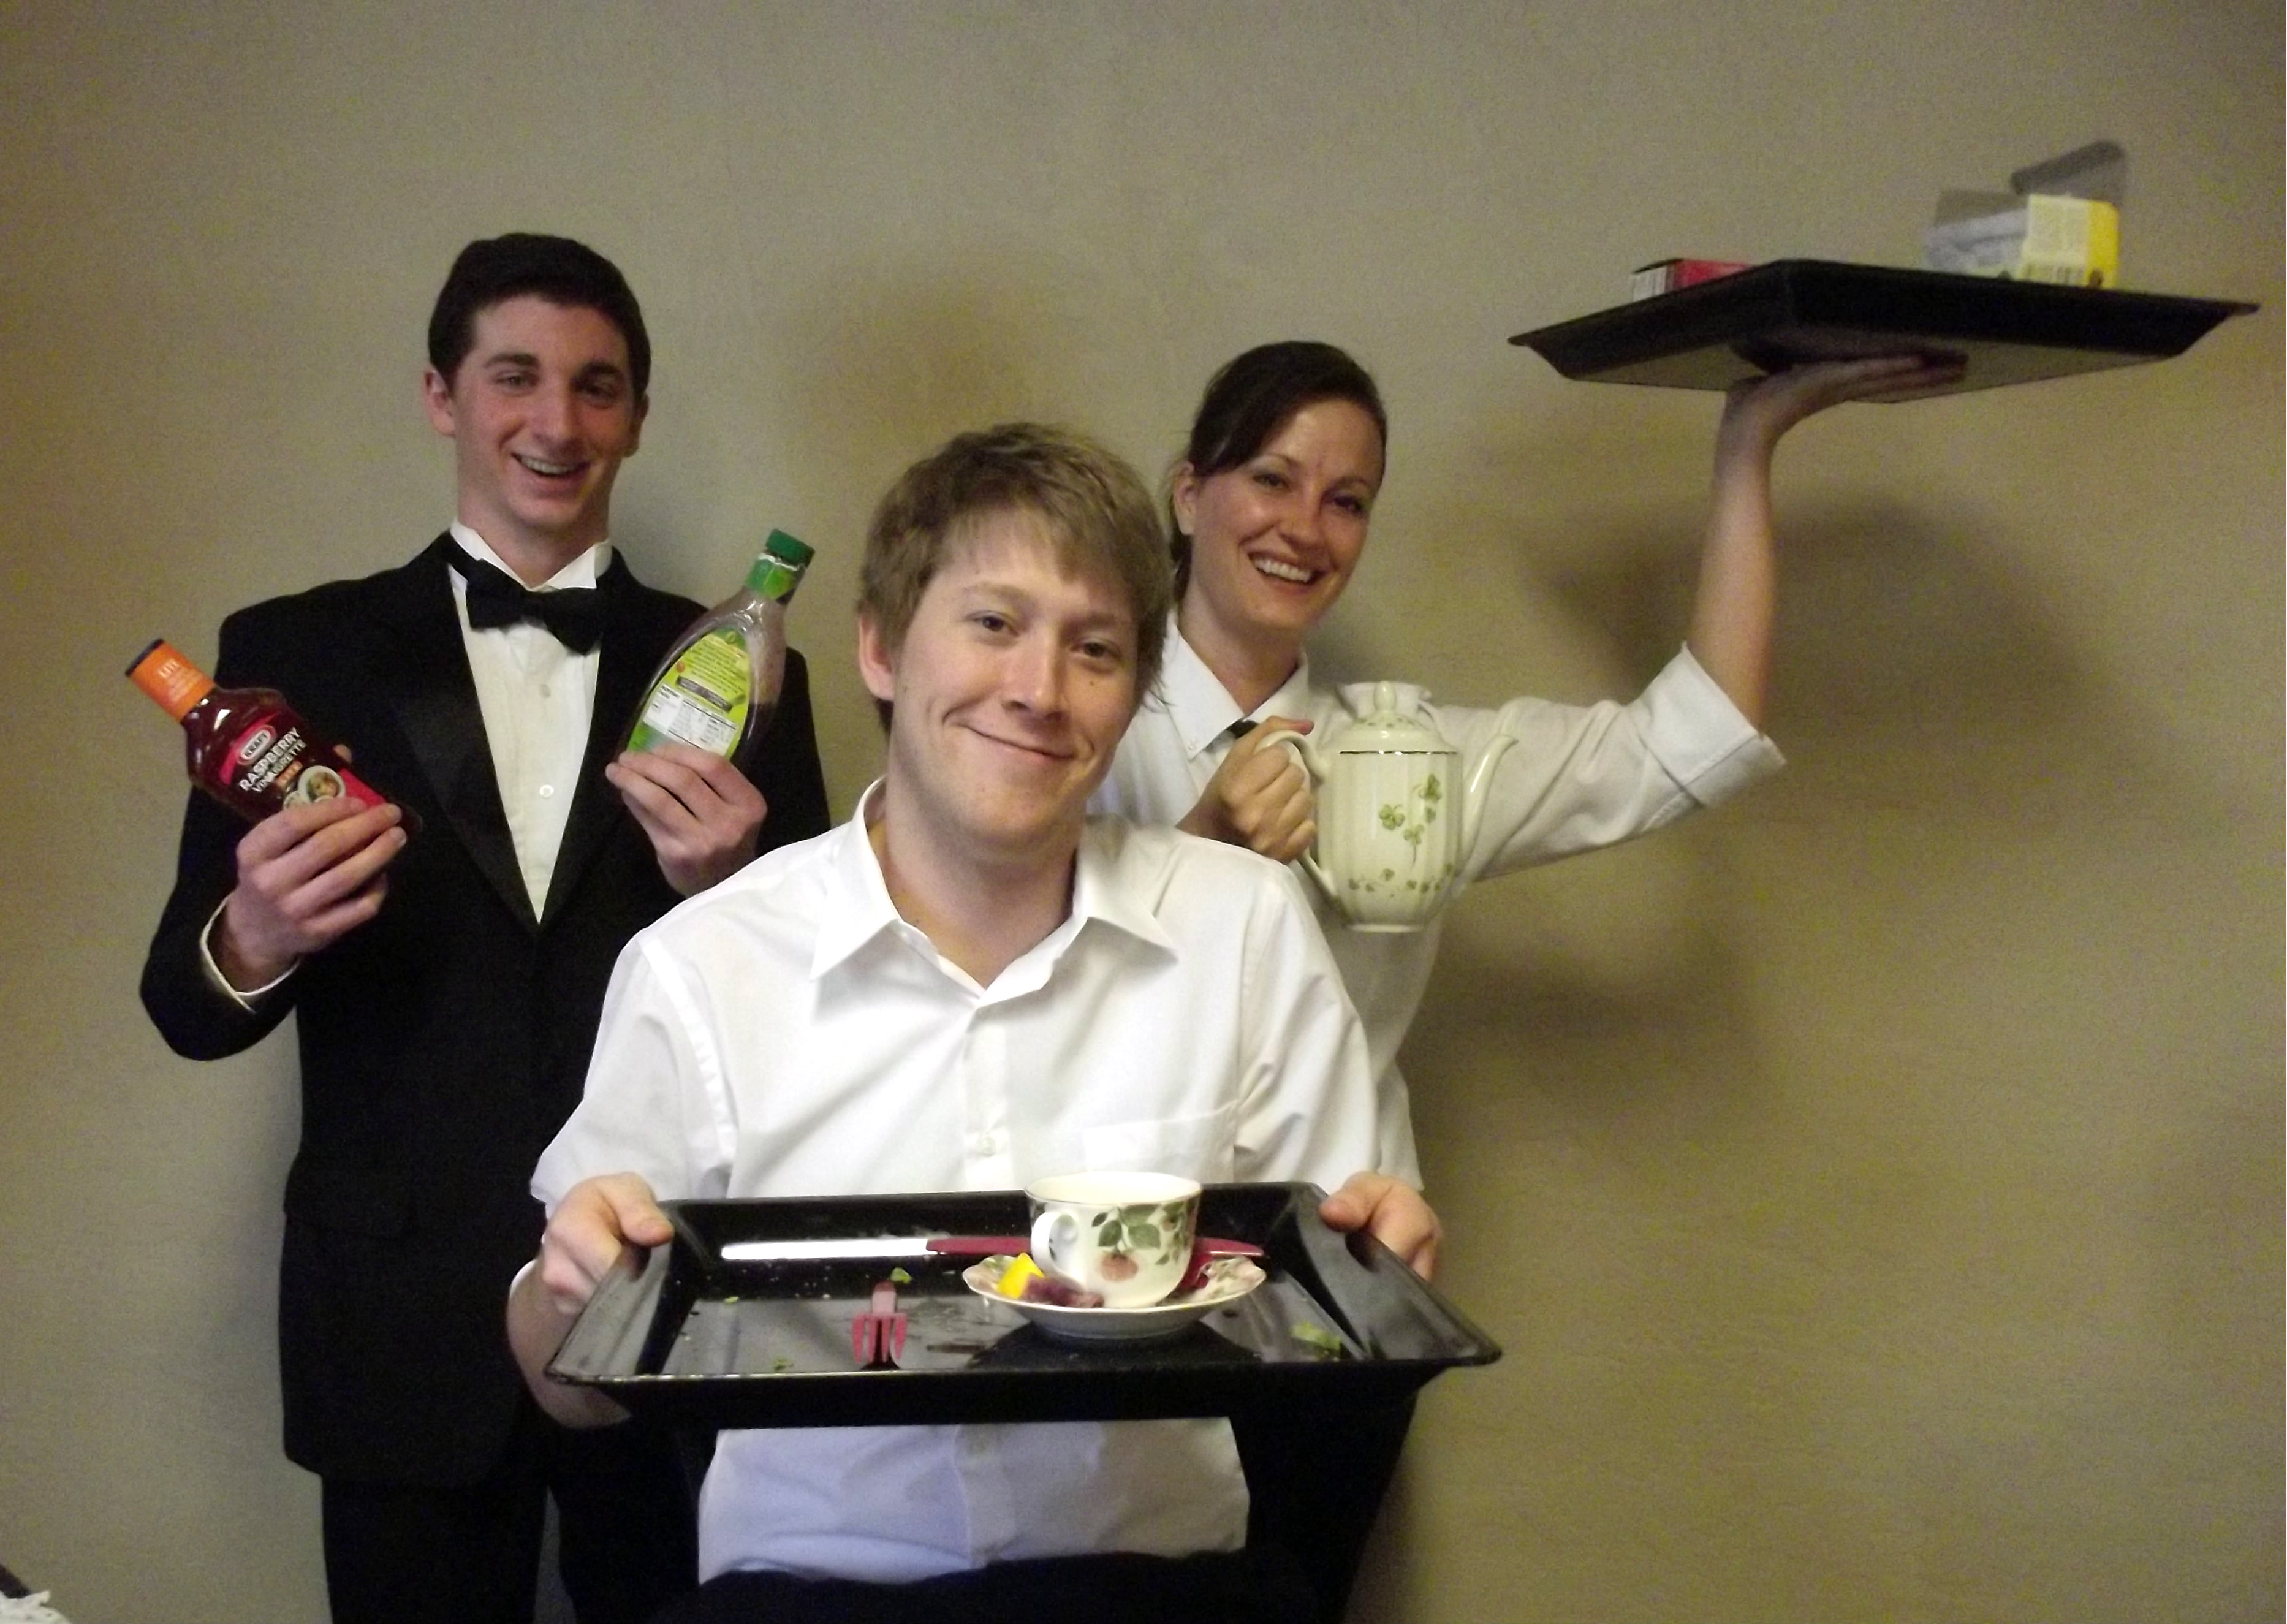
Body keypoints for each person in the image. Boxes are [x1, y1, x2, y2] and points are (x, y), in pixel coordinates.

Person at [506, 422, 1437, 1624]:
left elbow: (1340, 1309)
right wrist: (570, 1299)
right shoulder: (703, 962)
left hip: (1160, 1591)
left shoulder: (1244, 929)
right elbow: (566, 1385)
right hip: (805, 1596)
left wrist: (1381, 1271)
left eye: (1094, 648)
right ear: (881, 646)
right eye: (994, 623)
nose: (1039, 690)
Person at [138, 233, 833, 1624]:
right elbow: (183, 1002)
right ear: (441, 395)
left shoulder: (751, 670)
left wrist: (734, 893)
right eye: (515, 376)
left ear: (637, 415)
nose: (556, 421)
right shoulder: (292, 652)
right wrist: (260, 928)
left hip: (661, 1296)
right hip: (396, 1310)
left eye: (597, 385)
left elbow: (826, 1022)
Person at [1095, 340, 1962, 1177]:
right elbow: (1036, 985)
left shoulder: (1412, 763)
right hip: (1110, 1230)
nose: (1305, 528)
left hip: (1342, 1243)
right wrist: (1201, 849)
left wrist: (1748, 442)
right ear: (1190, 496)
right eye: (1272, 480)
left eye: (1347, 501)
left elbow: (1691, 732)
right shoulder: (1070, 728)